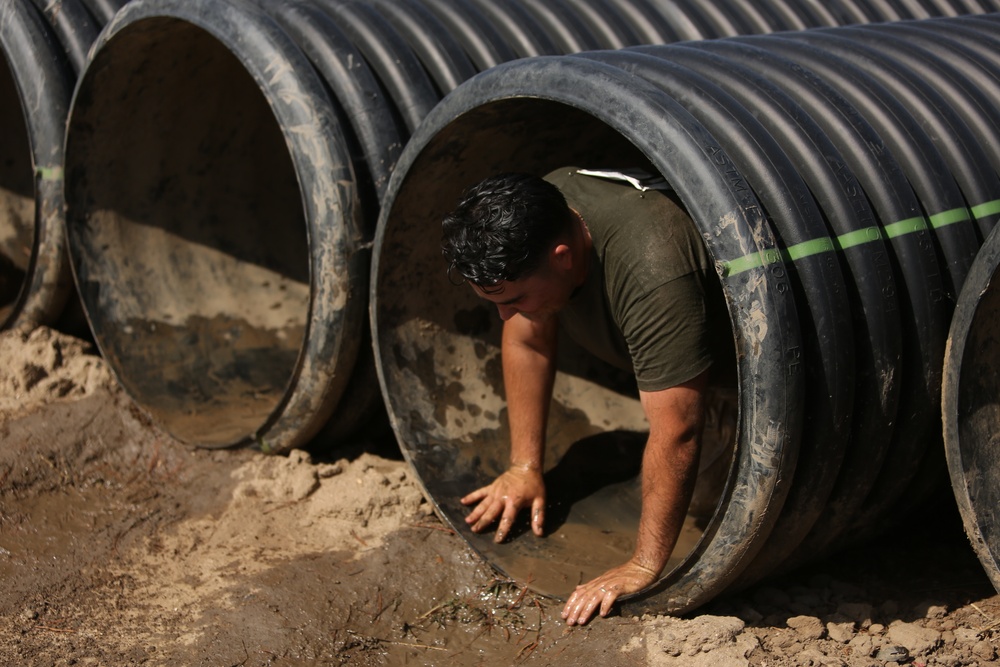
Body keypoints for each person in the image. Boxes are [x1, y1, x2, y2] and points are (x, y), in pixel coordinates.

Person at [440, 167, 731, 626]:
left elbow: (679, 430)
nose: (503, 315)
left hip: (751, 364)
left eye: (513, 299)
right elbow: (527, 342)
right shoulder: (544, 213)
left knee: (706, 506)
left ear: (562, 258)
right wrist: (524, 466)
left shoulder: (652, 271)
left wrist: (643, 564)